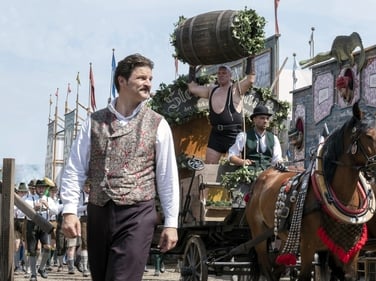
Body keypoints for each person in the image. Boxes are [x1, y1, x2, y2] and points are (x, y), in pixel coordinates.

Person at [60, 53, 180, 281]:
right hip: (99, 212)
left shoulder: (158, 123)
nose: (148, 83)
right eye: (141, 78)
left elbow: (167, 177)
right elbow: (75, 167)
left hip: (138, 214)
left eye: (150, 79)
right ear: (122, 81)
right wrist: (69, 210)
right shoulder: (94, 121)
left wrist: (171, 223)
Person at [187, 56, 256, 164]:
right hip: (216, 135)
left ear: (230, 75)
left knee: (236, 166)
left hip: (233, 134)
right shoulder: (211, 90)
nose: (221, 75)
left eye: (224, 73)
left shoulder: (236, 89)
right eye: (219, 73)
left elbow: (250, 80)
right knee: (209, 165)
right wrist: (192, 67)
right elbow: (192, 88)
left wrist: (250, 58)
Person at [227, 105, 283, 172]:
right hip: (249, 173)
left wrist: (279, 162)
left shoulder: (274, 138)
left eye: (267, 118)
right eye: (262, 118)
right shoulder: (244, 136)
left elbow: (276, 159)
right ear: (254, 119)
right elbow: (231, 156)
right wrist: (241, 161)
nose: (265, 121)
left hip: (267, 174)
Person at [24, 178, 59, 281]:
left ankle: (42, 268)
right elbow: (24, 213)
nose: (41, 189)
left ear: (45, 189)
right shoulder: (29, 199)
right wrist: (34, 208)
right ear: (36, 188)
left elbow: (56, 212)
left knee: (48, 247)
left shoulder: (49, 199)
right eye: (39, 187)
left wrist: (47, 206)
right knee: (32, 250)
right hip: (32, 225)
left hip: (44, 225)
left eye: (43, 188)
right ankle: (33, 275)